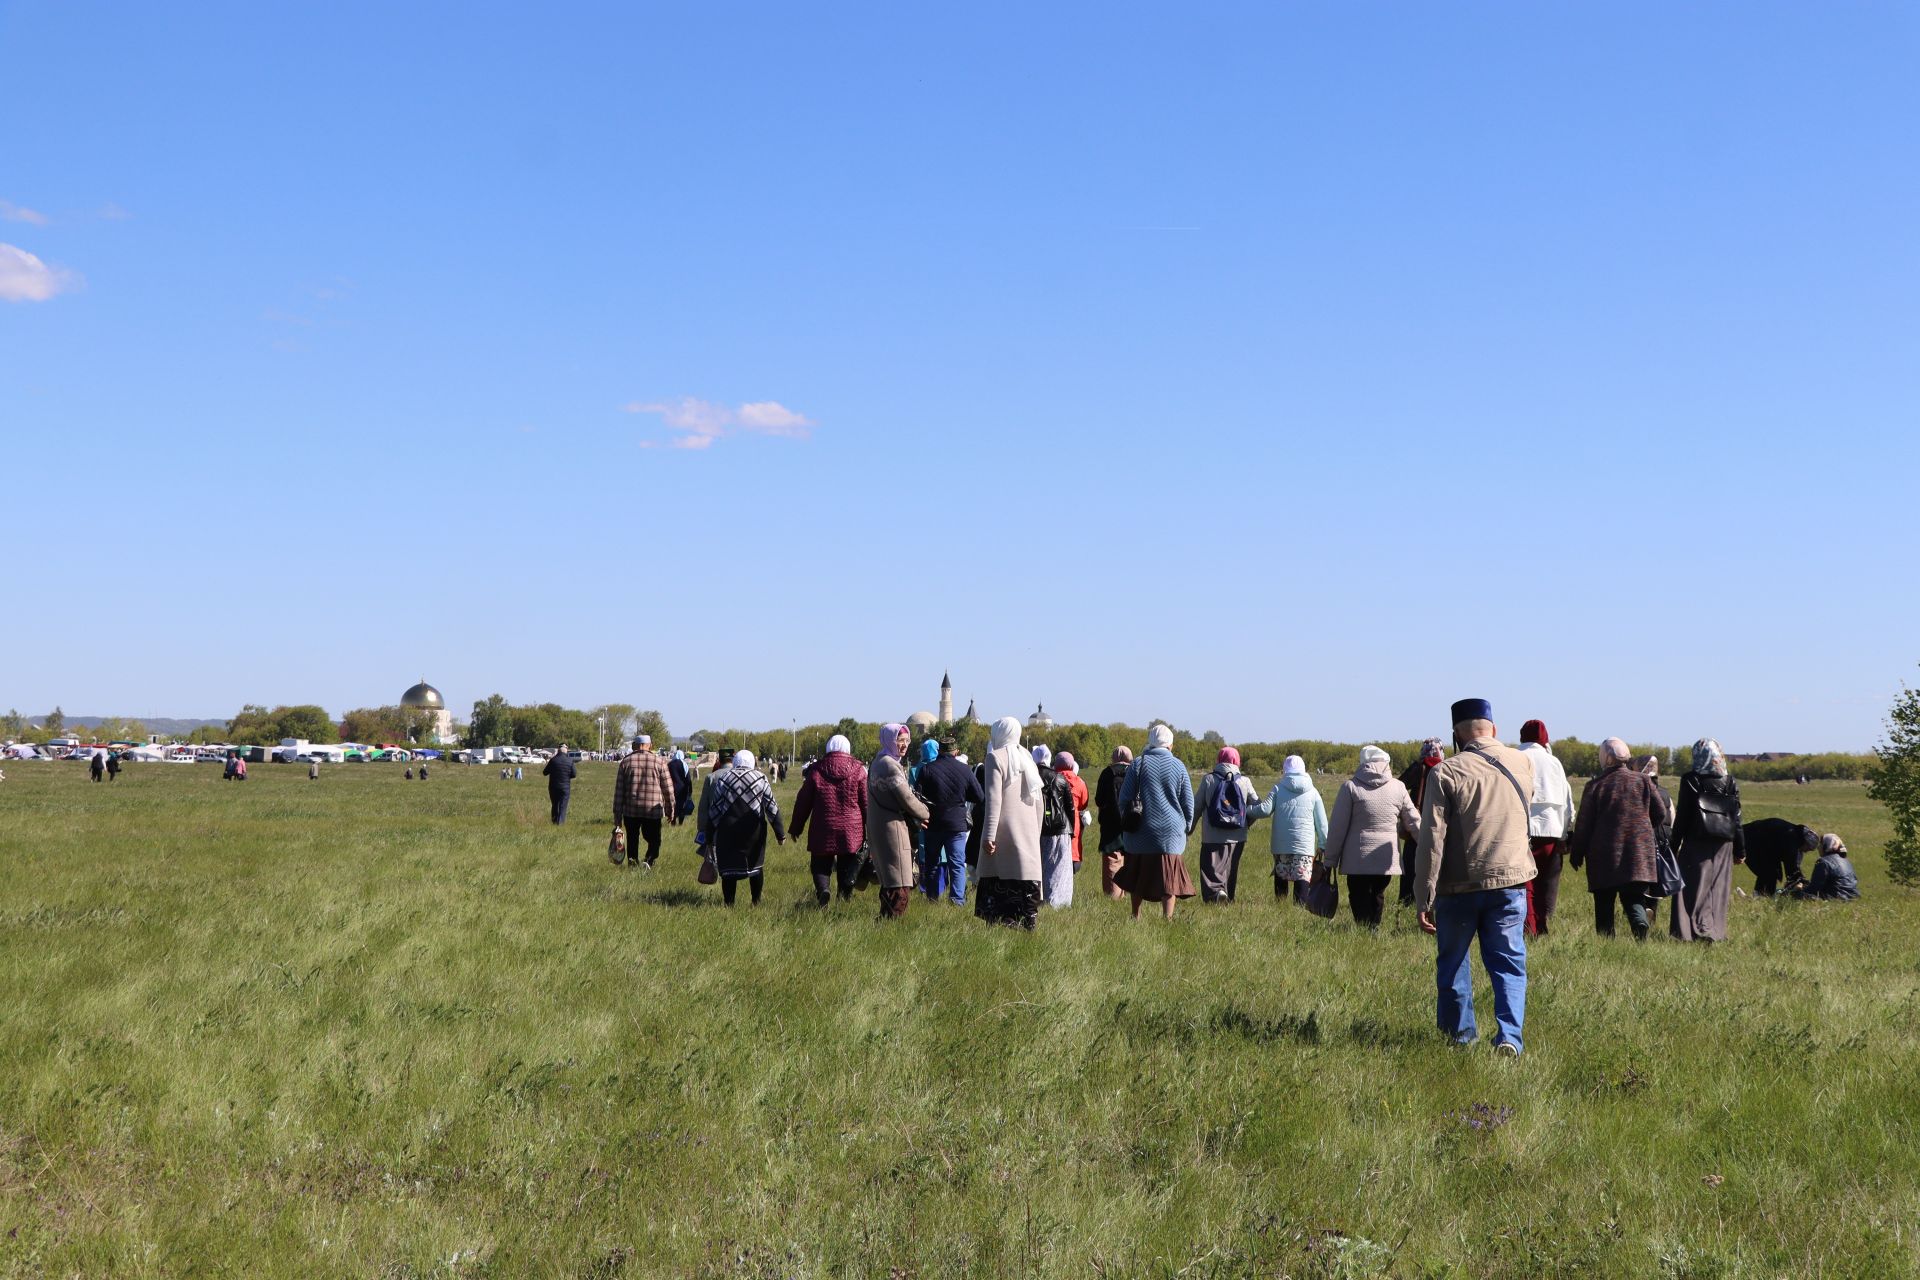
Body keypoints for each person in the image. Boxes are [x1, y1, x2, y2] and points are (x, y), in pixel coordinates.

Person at [1412, 699, 1535, 1056]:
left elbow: (1431, 840)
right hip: (1511, 880)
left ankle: (1459, 1039)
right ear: (1493, 729)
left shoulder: (1446, 772)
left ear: (1456, 734)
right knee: (1509, 964)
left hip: (1459, 884)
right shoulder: (1523, 762)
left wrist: (1425, 895)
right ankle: (1510, 1037)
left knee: (1453, 964)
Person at [1567, 738, 1668, 940]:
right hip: (1638, 854)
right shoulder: (1644, 781)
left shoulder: (1596, 786)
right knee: (1634, 898)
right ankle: (1640, 924)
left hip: (1604, 856)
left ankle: (1606, 940)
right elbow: (1660, 813)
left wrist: (1576, 853)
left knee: (1604, 901)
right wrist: (1643, 830)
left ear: (1605, 758)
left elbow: (1584, 824)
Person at [1322, 746, 1418, 928]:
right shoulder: (1399, 787)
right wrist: (1430, 845)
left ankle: (1364, 930)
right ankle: (1373, 929)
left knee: (1358, 894)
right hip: (1386, 859)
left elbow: (1337, 827)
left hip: (1357, 859)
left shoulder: (1350, 787)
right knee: (1378, 892)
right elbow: (1414, 821)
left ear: (1363, 762)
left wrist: (1330, 860)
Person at [1115, 724, 1197, 921]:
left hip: (1141, 830)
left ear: (1150, 742)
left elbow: (1124, 799)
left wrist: (1127, 821)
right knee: (1169, 878)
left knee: (1137, 874)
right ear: (1170, 744)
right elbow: (1188, 802)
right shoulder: (1179, 766)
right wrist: (1186, 825)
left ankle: (1135, 915)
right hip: (1171, 832)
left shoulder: (1138, 764)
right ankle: (1167, 918)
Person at [1670, 738, 1744, 943]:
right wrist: (1741, 850)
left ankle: (1687, 933)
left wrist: (1674, 846)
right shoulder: (1729, 781)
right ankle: (1713, 931)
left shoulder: (1691, 780)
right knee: (1717, 889)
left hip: (1696, 841)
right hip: (1724, 844)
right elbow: (1737, 819)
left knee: (1690, 889)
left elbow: (1683, 816)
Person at [976, 716, 1044, 929]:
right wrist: (1036, 830)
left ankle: (1001, 924)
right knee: (1022, 877)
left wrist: (988, 836)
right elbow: (1039, 801)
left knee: (999, 876)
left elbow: (994, 801)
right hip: (1028, 831)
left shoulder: (995, 758)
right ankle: (1025, 924)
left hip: (1003, 832)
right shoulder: (1027, 757)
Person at [697, 750, 786, 905]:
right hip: (754, 832)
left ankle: (729, 904)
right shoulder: (760, 778)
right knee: (756, 868)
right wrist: (780, 834)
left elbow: (715, 811)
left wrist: (710, 837)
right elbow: (771, 808)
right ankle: (756, 902)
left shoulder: (724, 779)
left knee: (729, 871)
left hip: (728, 832)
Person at [790, 735, 869, 905]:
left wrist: (796, 827)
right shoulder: (859, 770)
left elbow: (803, 801)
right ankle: (843, 898)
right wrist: (873, 829)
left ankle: (823, 890)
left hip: (822, 826)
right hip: (851, 830)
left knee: (820, 862)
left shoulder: (816, 770)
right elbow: (866, 803)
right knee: (847, 864)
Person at [1516, 721, 1574, 937]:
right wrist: (1565, 833)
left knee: (1524, 882)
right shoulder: (1554, 762)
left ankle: (1528, 926)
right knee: (1544, 883)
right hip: (1550, 829)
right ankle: (1542, 925)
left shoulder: (1515, 756)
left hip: (1523, 829)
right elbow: (1567, 800)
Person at [1191, 747, 1271, 904]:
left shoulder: (1208, 779)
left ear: (1219, 759)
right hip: (1237, 835)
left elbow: (1197, 807)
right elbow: (1257, 805)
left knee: (1211, 868)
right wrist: (1246, 823)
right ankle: (1228, 895)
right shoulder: (1245, 781)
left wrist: (1190, 827)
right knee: (1230, 868)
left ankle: (1215, 894)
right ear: (1237, 761)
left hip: (1212, 835)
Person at [866, 724, 930, 919]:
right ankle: (889, 924)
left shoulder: (880, 760)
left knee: (890, 878)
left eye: (906, 741)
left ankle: (885, 923)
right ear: (889, 741)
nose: (904, 745)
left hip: (881, 824)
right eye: (899, 741)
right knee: (899, 880)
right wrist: (925, 812)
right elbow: (906, 797)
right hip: (891, 828)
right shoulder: (889, 764)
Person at [914, 736, 980, 906]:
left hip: (933, 823)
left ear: (939, 751)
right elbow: (979, 796)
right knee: (957, 865)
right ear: (956, 751)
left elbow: (917, 796)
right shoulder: (964, 769)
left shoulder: (927, 769)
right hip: (956, 824)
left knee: (932, 863)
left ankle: (932, 898)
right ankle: (957, 900)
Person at [1266, 755, 1327, 903]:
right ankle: (1299, 909)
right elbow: (1322, 822)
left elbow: (1265, 810)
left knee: (1282, 873)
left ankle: (1280, 906)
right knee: (1302, 874)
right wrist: (1323, 845)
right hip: (1304, 845)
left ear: (1285, 770)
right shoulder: (1313, 792)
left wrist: (1246, 810)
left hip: (1281, 844)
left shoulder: (1278, 788)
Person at [612, 735, 677, 871]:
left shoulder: (626, 761)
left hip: (631, 809)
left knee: (632, 838)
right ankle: (649, 859)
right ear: (650, 745)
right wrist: (671, 810)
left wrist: (617, 815)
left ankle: (632, 863)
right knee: (654, 839)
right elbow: (668, 789)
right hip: (652, 809)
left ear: (635, 745)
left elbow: (619, 791)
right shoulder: (659, 762)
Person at [1397, 739, 1445, 906]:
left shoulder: (1418, 768)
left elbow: (1399, 784)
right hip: (1439, 820)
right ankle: (1432, 899)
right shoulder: (1447, 768)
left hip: (1416, 821)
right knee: (1436, 862)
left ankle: (1407, 899)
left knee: (1411, 862)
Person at [1033, 744, 1076, 908]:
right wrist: (1071, 829)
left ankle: (1038, 897)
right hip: (1059, 827)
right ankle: (1057, 901)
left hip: (1036, 827)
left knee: (1038, 865)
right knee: (1058, 867)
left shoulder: (1029, 776)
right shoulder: (1059, 778)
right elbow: (1069, 806)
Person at [1093, 746, 1134, 899]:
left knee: (1113, 860)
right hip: (1132, 822)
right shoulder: (1134, 772)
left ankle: (1113, 896)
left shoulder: (1107, 773)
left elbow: (1099, 799)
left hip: (1110, 824)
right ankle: (1129, 893)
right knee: (1130, 858)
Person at [1743, 818, 1818, 896]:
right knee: (1769, 872)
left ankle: (1762, 895)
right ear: (1805, 842)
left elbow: (1794, 865)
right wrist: (1798, 881)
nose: (1806, 851)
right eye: (1808, 849)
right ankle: (1761, 896)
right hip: (1749, 840)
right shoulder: (1792, 839)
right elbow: (1791, 867)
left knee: (1770, 871)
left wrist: (1799, 879)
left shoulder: (1796, 836)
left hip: (1759, 842)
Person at [1796, 834, 1860, 901]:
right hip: (1853, 896)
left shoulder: (1823, 862)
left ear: (1826, 846)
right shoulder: (1846, 861)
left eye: (1820, 844)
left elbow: (1813, 889)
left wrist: (1800, 889)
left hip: (1835, 897)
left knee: (1796, 894)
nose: (1818, 848)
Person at [1058, 751, 1090, 878]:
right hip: (1074, 823)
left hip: (1054, 822)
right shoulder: (1080, 782)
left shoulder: (1052, 778)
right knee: (1073, 853)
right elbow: (1084, 803)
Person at [542, 744, 576, 825]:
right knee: (563, 805)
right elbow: (574, 774)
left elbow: (545, 772)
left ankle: (554, 820)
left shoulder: (553, 760)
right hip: (565, 787)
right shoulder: (570, 761)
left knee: (554, 804)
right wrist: (567, 776)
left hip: (553, 787)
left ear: (558, 750)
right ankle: (560, 823)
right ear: (566, 751)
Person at [668, 750, 695, 822]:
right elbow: (688, 778)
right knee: (682, 805)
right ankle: (680, 822)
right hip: (683, 789)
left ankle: (673, 821)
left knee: (673, 805)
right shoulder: (684, 764)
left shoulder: (670, 764)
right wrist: (690, 790)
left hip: (672, 788)